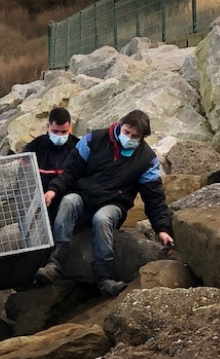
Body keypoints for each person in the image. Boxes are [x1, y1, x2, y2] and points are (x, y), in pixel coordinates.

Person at [36, 110, 175, 297]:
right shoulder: (93, 140)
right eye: (127, 132)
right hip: (84, 197)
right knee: (68, 201)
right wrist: (53, 190)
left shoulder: (146, 159)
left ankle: (104, 277)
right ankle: (55, 262)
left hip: (114, 203)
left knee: (102, 219)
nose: (129, 138)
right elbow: (71, 171)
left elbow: (154, 198)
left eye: (135, 136)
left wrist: (162, 229)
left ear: (142, 137)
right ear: (120, 125)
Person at [22, 107, 79, 224]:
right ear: (47, 127)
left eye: (64, 132)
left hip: (67, 200)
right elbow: (24, 181)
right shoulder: (33, 148)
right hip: (41, 200)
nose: (59, 136)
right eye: (55, 131)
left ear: (70, 129)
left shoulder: (78, 148)